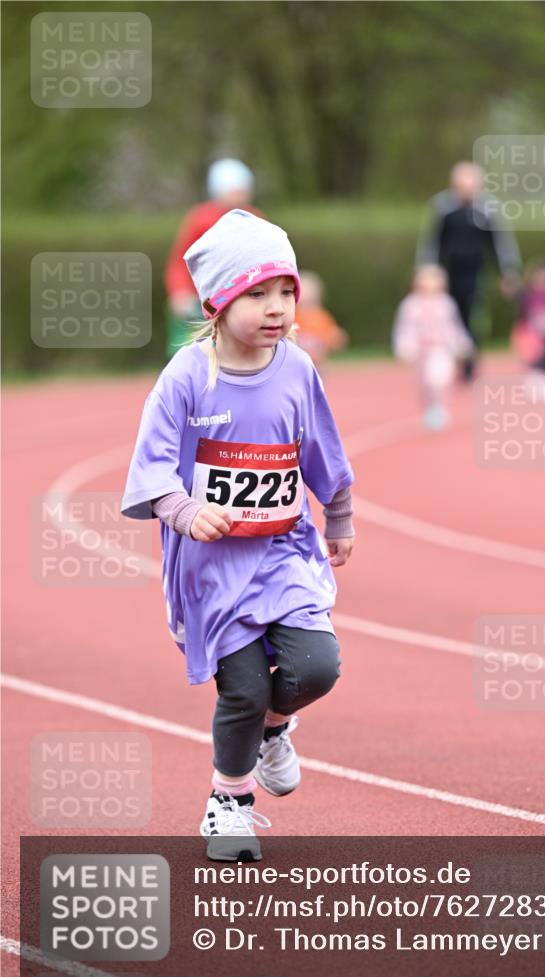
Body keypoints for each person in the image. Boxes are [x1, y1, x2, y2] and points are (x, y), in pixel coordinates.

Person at [121, 210, 355, 862]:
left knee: (316, 667)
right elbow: (151, 463)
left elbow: (323, 450)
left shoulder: (298, 369)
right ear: (217, 304)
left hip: (283, 552)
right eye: (257, 294)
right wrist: (182, 510)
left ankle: (275, 729)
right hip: (212, 565)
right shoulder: (187, 376)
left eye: (285, 292)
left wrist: (338, 515)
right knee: (244, 688)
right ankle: (229, 804)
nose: (276, 308)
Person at [416, 161, 522, 380]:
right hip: (446, 274)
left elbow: (500, 243)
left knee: (473, 316)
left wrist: (508, 272)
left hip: (476, 272)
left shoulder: (489, 208)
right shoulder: (442, 207)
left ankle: (470, 361)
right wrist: (427, 270)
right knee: (446, 316)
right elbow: (431, 242)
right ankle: (447, 359)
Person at [163, 158, 262, 358]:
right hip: (200, 299)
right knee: (189, 348)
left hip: (239, 294)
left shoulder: (254, 219)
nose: (239, 197)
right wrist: (179, 291)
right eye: (234, 191)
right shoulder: (201, 219)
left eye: (243, 191)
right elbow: (180, 261)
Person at [392, 264, 473, 431]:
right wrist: (404, 346)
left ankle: (439, 408)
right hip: (421, 352)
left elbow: (453, 326)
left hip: (440, 350)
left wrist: (462, 344)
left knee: (438, 379)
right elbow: (405, 327)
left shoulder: (446, 303)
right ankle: (430, 408)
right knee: (425, 384)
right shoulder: (410, 304)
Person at [509, 261, 545, 377]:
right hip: (533, 336)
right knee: (535, 359)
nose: (544, 282)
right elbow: (513, 295)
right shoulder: (529, 295)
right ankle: (537, 374)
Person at [294, 271, 348, 375]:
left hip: (318, 365)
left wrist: (337, 338)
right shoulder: (294, 317)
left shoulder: (322, 317)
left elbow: (334, 338)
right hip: (298, 364)